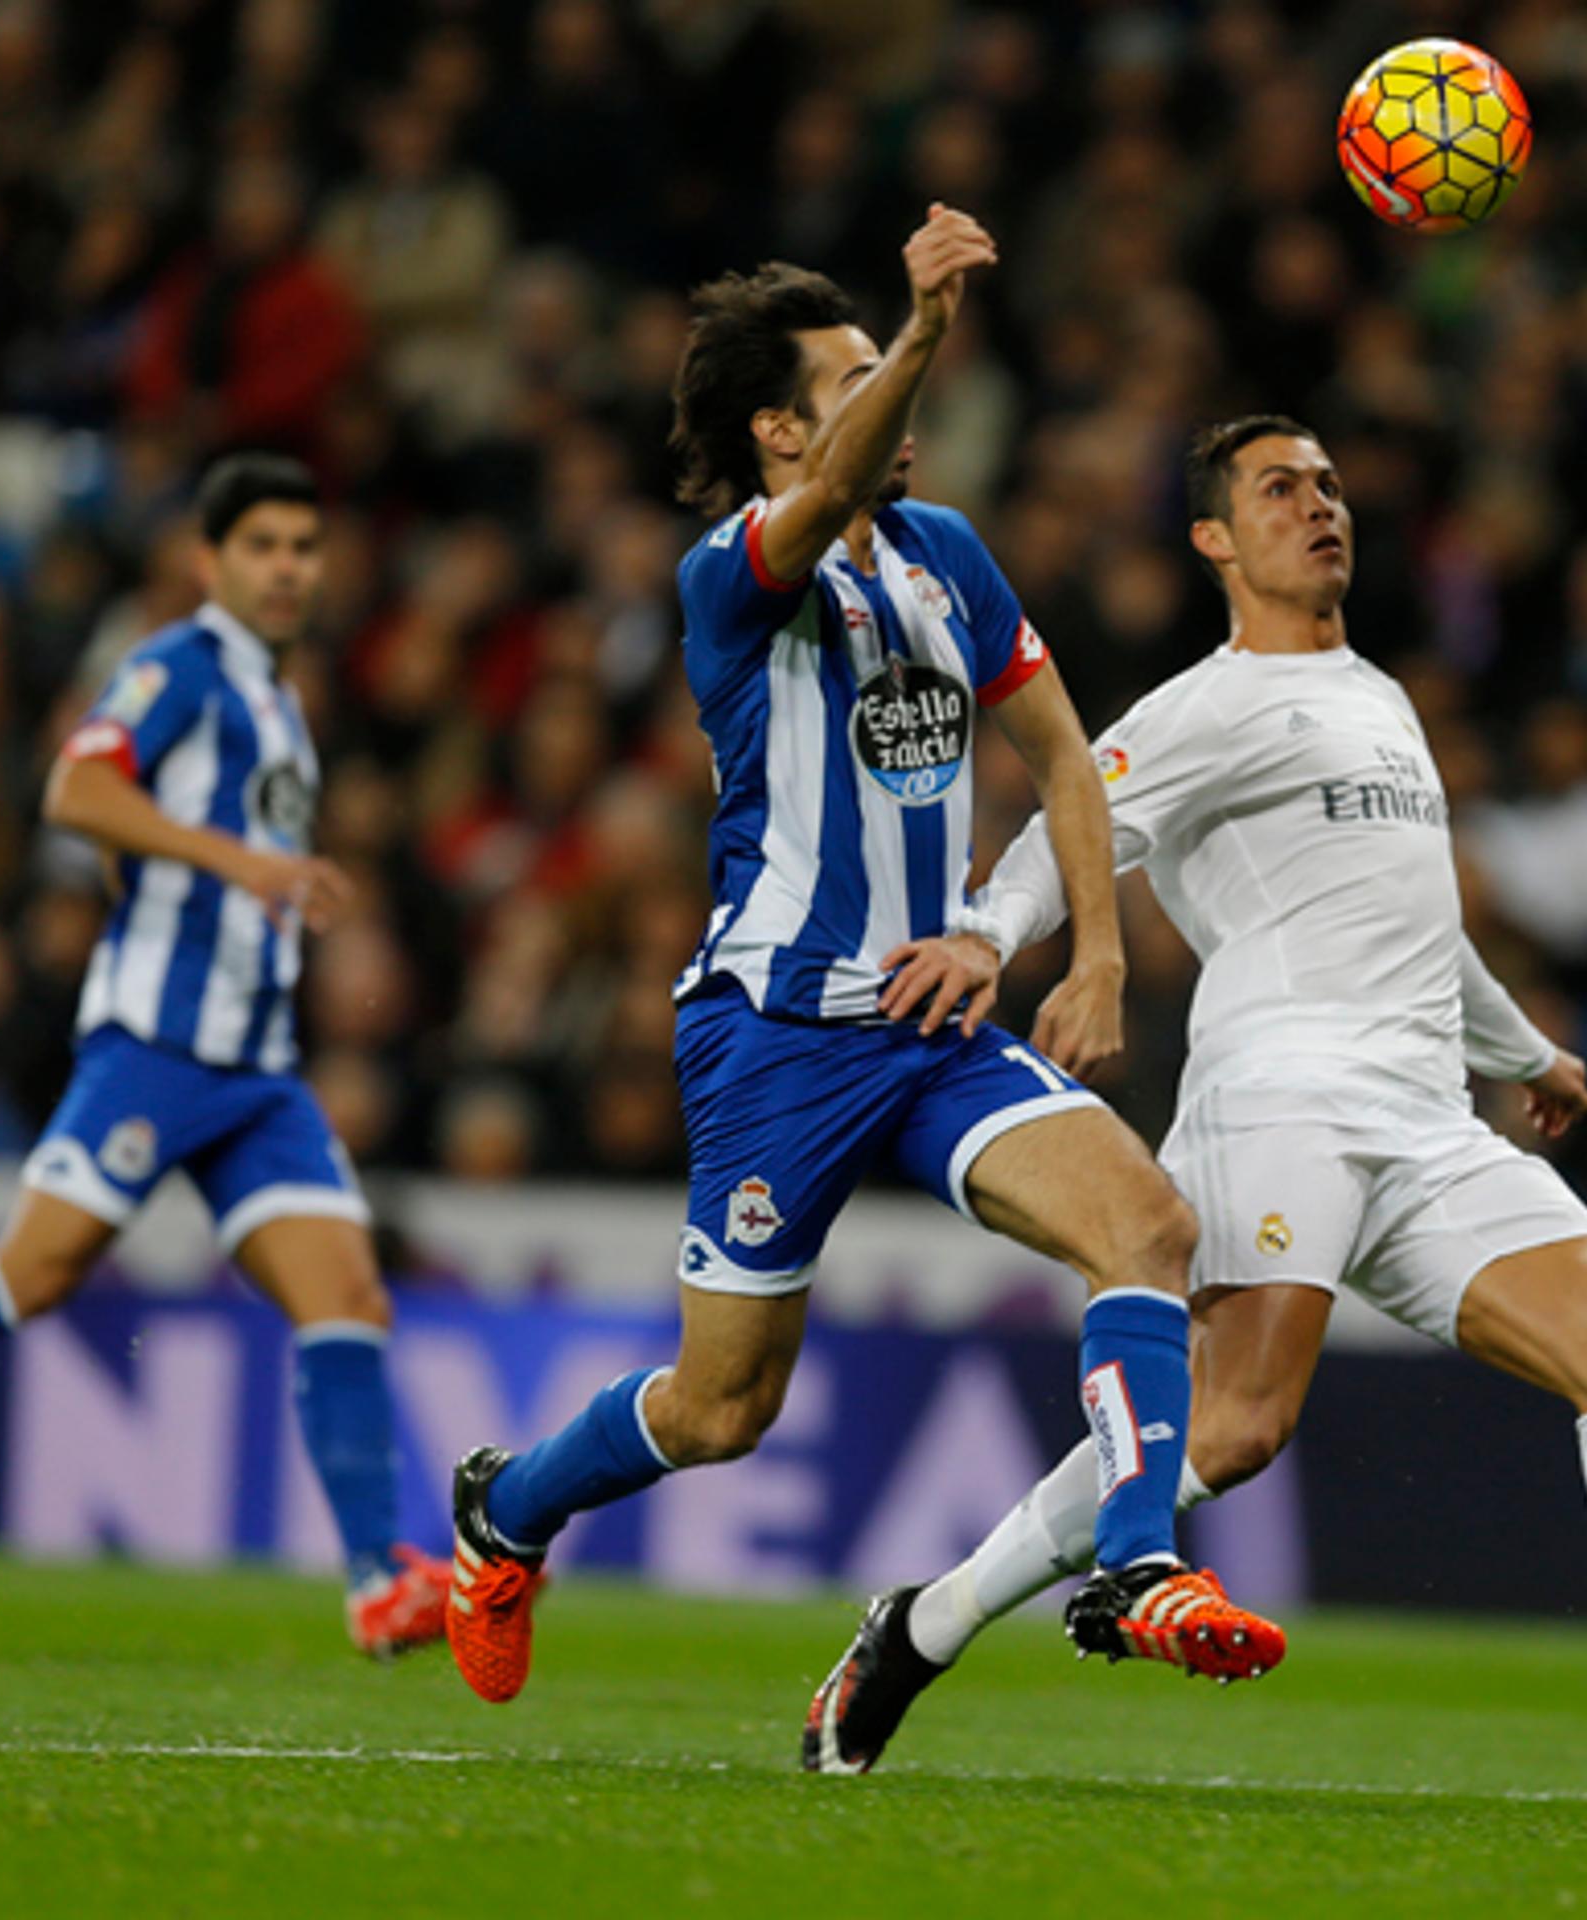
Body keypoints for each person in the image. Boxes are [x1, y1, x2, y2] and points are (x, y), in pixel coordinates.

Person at [802, 418, 1587, 1788]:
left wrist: (1518, 1050)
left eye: (1327, 487)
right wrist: (986, 934)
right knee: (1233, 1430)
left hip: (1427, 1115)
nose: (1318, 508)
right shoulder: (1208, 704)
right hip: (1280, 1097)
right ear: (1214, 537)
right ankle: (922, 1628)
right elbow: (1079, 818)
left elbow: (1414, 921)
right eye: (1279, 490)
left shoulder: (1380, 695)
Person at [441, 208, 1284, 1708]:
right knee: (719, 1411)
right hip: (775, 1035)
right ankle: (506, 1509)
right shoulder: (730, 574)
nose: (899, 404)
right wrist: (927, 330)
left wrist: (1091, 955)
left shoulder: (950, 556)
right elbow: (829, 486)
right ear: (778, 427)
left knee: (1148, 1231)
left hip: (934, 1023)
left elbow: (1065, 758)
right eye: (852, 381)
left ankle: (1139, 1565)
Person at [0, 454, 450, 1660]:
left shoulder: (280, 702)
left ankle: (371, 1581)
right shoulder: (176, 667)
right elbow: (78, 789)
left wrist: (212, 878)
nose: (290, 567)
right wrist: (232, 863)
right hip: (160, 1046)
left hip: (258, 1071)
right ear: (209, 562)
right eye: (264, 546)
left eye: (305, 546)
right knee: (26, 1278)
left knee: (348, 1294)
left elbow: (124, 841)